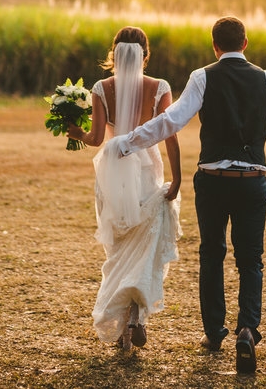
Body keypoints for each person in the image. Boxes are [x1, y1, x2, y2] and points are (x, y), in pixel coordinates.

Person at [108, 16, 266, 374]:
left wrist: (127, 142)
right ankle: (247, 329)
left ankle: (214, 333)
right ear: (245, 43)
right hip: (251, 179)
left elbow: (171, 121)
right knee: (251, 260)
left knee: (212, 255)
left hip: (213, 180)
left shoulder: (202, 77)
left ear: (214, 46)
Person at [66, 26, 182, 351]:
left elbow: (97, 138)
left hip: (113, 164)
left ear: (114, 54)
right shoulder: (160, 88)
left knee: (118, 243)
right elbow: (169, 133)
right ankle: (135, 315)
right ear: (146, 55)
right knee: (145, 240)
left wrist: (76, 133)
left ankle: (122, 330)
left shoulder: (102, 88)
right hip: (147, 164)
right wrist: (179, 176)